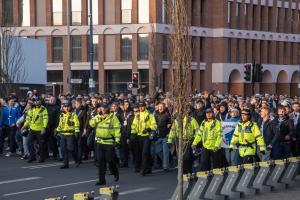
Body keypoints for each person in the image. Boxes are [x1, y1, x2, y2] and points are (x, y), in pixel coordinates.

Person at [89, 103, 121, 185]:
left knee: (110, 159)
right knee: (101, 162)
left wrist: (117, 141)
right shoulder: (97, 116)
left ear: (107, 109)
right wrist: (99, 118)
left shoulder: (113, 118)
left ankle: (115, 171)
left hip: (109, 142)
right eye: (101, 108)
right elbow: (91, 124)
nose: (102, 110)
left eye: (104, 108)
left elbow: (117, 130)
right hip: (99, 142)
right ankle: (102, 180)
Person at [168, 109, 199, 174]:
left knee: (187, 158)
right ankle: (185, 173)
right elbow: (172, 131)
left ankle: (189, 172)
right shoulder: (176, 120)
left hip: (188, 141)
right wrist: (169, 140)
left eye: (183, 112)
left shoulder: (191, 119)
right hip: (179, 142)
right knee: (181, 159)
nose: (181, 113)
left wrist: (194, 140)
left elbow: (197, 130)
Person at [131, 102, 157, 176]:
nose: (141, 108)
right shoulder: (137, 115)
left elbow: (154, 125)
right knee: (145, 153)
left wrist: (148, 129)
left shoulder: (150, 115)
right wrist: (133, 133)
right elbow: (134, 125)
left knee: (144, 153)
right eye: (140, 106)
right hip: (139, 136)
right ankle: (149, 167)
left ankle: (144, 169)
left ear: (145, 107)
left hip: (146, 136)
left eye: (142, 106)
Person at [23, 97, 48, 163]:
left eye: (38, 101)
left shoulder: (43, 109)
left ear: (40, 102)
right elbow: (28, 118)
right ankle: (32, 156)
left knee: (41, 144)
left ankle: (42, 158)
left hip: (40, 129)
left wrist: (44, 127)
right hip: (32, 129)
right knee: (28, 142)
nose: (36, 102)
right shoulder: (32, 108)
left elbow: (45, 119)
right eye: (35, 101)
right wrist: (24, 125)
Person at [56, 100, 80, 169]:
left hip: (70, 134)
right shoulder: (62, 115)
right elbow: (60, 125)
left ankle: (76, 159)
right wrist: (57, 130)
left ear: (70, 107)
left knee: (71, 148)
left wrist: (77, 132)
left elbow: (77, 123)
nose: (66, 108)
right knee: (63, 149)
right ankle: (65, 164)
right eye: (65, 107)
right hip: (63, 134)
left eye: (68, 106)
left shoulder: (73, 114)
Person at [154, 102, 172, 172]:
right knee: (157, 151)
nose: (160, 108)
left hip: (165, 136)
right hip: (158, 136)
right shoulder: (155, 115)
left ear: (164, 107)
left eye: (162, 106)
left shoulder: (167, 115)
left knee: (165, 152)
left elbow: (171, 124)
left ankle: (166, 167)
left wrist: (169, 128)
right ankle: (167, 160)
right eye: (159, 106)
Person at [119, 100, 134, 168]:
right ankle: (125, 162)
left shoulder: (131, 113)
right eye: (125, 105)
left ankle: (133, 161)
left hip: (130, 132)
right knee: (123, 148)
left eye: (127, 104)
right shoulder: (122, 114)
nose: (126, 106)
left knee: (131, 148)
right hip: (123, 133)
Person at [74, 98, 88, 163]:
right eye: (75, 103)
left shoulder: (83, 111)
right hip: (74, 130)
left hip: (80, 130)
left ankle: (79, 159)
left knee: (80, 145)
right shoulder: (73, 111)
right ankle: (77, 157)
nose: (76, 105)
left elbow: (85, 122)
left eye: (77, 104)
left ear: (80, 104)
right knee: (75, 145)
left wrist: (84, 130)